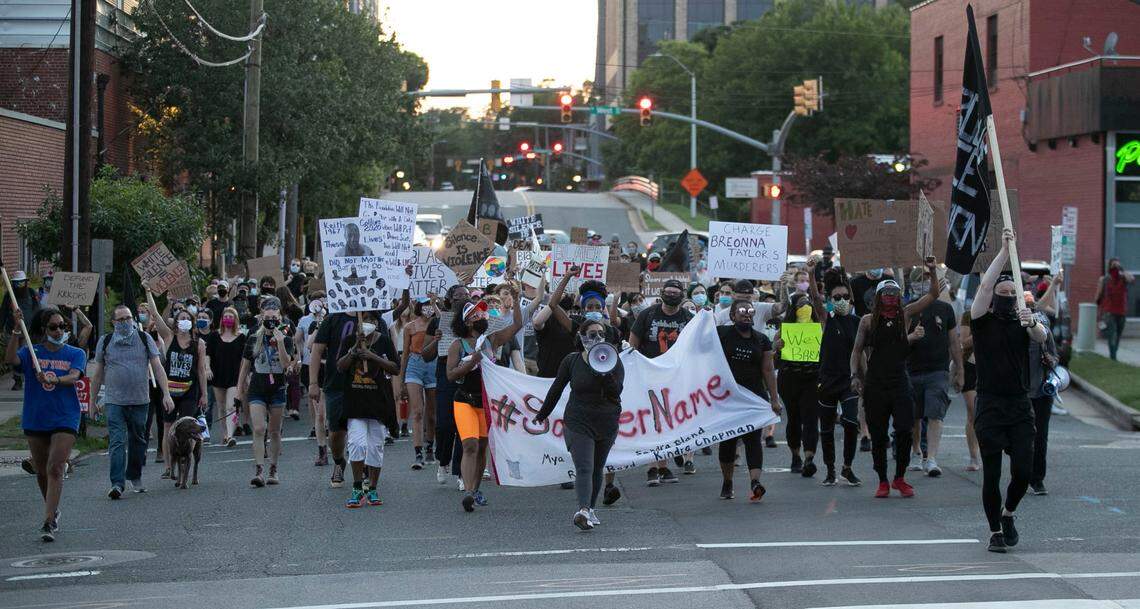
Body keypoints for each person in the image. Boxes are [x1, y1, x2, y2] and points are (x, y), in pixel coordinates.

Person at [970, 229, 1048, 553]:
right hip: (990, 404)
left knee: (1023, 470)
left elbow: (1042, 337)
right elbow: (986, 285)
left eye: (1011, 293)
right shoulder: (981, 321)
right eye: (1002, 293)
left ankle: (1009, 513)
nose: (1005, 296)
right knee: (992, 474)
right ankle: (994, 532)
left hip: (1018, 404)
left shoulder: (1025, 322)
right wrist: (1004, 251)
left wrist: (1031, 322)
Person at [850, 258, 939, 499]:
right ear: (878, 296)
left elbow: (932, 295)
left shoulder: (906, 314)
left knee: (903, 430)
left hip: (900, 381)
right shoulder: (867, 321)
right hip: (875, 383)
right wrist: (855, 376)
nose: (890, 296)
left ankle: (899, 477)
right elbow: (857, 351)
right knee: (878, 435)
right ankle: (882, 480)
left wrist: (931, 271)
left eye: (894, 292)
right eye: (886, 292)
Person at [536, 319, 625, 530]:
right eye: (592, 334)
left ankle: (591, 509)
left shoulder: (613, 361)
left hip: (606, 420)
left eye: (601, 334)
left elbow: (616, 392)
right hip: (578, 420)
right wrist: (543, 413)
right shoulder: (571, 361)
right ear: (582, 336)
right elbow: (556, 388)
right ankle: (583, 510)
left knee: (597, 467)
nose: (597, 338)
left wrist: (604, 373)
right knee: (584, 466)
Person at [6, 308, 86, 541]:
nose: (59, 330)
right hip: (36, 416)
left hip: (65, 416)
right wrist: (15, 330)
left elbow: (75, 376)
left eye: (62, 326)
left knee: (55, 467)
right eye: (53, 327)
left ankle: (48, 521)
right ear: (44, 330)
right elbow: (10, 360)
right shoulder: (32, 352)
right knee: (41, 471)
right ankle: (53, 509)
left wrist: (56, 379)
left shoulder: (75, 353)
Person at [90, 303, 174, 498]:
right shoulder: (106, 341)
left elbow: (158, 367)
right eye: (121, 320)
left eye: (128, 318)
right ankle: (117, 484)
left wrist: (166, 393)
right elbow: (97, 373)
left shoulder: (144, 339)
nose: (126, 322)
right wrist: (93, 401)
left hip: (140, 400)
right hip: (114, 401)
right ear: (113, 323)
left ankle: (135, 475)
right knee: (117, 441)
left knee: (138, 440)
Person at [446, 299, 522, 512]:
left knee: (481, 448)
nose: (481, 316)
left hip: (485, 402)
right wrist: (471, 362)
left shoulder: (491, 340)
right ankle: (468, 492)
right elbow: (450, 375)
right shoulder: (457, 345)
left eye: (482, 313)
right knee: (469, 445)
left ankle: (475, 489)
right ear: (467, 322)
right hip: (464, 401)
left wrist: (515, 300)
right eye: (476, 314)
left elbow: (517, 324)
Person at [717, 299, 782, 501]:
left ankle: (755, 482)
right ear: (732, 316)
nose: (747, 314)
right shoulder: (721, 334)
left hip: (754, 397)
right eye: (742, 311)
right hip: (728, 398)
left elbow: (768, 370)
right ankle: (727, 481)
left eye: (750, 311)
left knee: (753, 440)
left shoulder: (761, 339)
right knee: (728, 442)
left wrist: (774, 399)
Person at [629, 278, 692, 485]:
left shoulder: (689, 318)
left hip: (676, 379)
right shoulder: (648, 315)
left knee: (668, 423)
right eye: (668, 291)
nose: (671, 295)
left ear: (682, 296)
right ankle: (652, 468)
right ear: (662, 293)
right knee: (653, 421)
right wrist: (634, 372)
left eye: (676, 292)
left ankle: (663, 467)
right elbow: (633, 346)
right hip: (650, 377)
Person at [339, 310, 401, 508]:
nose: (368, 323)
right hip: (356, 402)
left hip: (379, 403)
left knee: (375, 447)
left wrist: (373, 357)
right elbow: (340, 366)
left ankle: (372, 488)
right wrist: (355, 349)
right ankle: (357, 486)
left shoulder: (383, 341)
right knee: (357, 445)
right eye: (365, 319)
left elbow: (395, 367)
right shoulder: (350, 339)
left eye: (372, 320)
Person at [905, 268, 963, 478]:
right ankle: (916, 452)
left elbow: (954, 342)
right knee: (915, 416)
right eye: (919, 281)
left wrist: (959, 370)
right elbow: (897, 342)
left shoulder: (945, 309)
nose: (923, 284)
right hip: (911, 370)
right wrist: (912, 336)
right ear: (912, 285)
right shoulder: (908, 310)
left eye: (927, 280)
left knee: (935, 413)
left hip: (938, 371)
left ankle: (932, 458)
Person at [146, 297, 208, 478]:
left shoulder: (199, 344)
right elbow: (156, 315)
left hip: (190, 390)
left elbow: (201, 371)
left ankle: (187, 458)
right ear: (175, 322)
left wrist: (204, 394)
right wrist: (148, 291)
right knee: (168, 427)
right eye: (181, 318)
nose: (184, 321)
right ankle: (168, 466)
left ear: (192, 322)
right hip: (169, 391)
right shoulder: (169, 337)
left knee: (189, 426)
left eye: (187, 318)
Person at [237, 297, 295, 487]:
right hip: (257, 389)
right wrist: (239, 391)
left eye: (274, 317)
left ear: (280, 318)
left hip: (277, 388)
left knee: (274, 431)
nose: (271, 320)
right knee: (259, 428)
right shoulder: (254, 337)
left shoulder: (285, 339)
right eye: (267, 317)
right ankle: (259, 469)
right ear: (262, 318)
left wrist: (279, 342)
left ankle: (273, 468)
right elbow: (245, 366)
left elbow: (287, 365)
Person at [814, 267, 863, 487]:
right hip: (827, 381)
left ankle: (847, 467)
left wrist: (864, 378)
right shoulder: (827, 319)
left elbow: (863, 351)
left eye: (845, 297)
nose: (842, 300)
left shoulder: (858, 322)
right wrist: (811, 271)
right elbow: (815, 298)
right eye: (837, 297)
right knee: (826, 427)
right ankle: (830, 469)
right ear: (830, 300)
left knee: (852, 422)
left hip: (849, 380)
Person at [775, 268, 826, 477]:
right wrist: (777, 346)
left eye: (807, 305)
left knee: (811, 418)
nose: (804, 308)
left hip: (812, 378)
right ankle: (795, 455)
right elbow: (773, 356)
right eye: (800, 305)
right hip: (789, 378)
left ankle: (809, 457)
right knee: (794, 418)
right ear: (794, 309)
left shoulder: (819, 327)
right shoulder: (784, 329)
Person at [1024, 292, 1059, 496]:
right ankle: (1022, 471)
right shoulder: (1016, 328)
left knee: (1040, 436)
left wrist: (1050, 360)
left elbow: (1055, 355)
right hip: (1020, 391)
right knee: (1020, 436)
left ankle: (1037, 479)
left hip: (1043, 390)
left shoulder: (1043, 327)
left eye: (1031, 305)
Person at [401, 298, 439, 470]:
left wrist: (436, 303)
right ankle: (418, 453)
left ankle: (429, 446)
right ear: (419, 307)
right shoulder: (410, 326)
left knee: (431, 414)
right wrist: (402, 379)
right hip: (415, 364)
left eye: (430, 305)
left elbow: (444, 318)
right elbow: (404, 354)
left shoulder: (437, 322)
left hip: (433, 364)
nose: (428, 308)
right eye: (425, 305)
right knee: (417, 411)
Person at [207, 306, 246, 448]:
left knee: (231, 406)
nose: (228, 319)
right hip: (218, 374)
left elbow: (244, 359)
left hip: (234, 376)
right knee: (222, 407)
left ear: (235, 319)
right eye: (226, 316)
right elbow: (208, 354)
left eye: (231, 317)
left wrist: (244, 375)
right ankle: (224, 433)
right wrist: (207, 368)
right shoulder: (214, 336)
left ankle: (230, 435)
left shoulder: (241, 337)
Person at [296, 296, 328, 463]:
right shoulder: (315, 325)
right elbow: (309, 346)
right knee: (320, 414)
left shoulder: (334, 322)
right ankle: (322, 450)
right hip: (319, 369)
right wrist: (318, 328)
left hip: (334, 369)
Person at [1, 270, 42, 390]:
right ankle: (17, 378)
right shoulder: (9, 295)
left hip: (27, 331)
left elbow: (37, 310)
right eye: (16, 283)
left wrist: (38, 327)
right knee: (14, 356)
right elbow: (3, 312)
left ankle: (24, 376)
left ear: (26, 282)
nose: (19, 286)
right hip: (12, 331)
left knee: (26, 356)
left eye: (21, 283)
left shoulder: (31, 293)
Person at [1096, 257, 1134, 361]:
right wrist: (1099, 311)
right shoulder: (1105, 279)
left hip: (1121, 311)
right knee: (1112, 334)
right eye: (1114, 265)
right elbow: (1098, 296)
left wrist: (1121, 268)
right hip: (1109, 311)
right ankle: (1113, 357)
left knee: (1118, 335)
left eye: (1117, 265)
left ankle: (1114, 353)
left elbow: (1131, 279)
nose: (1115, 268)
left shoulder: (1123, 278)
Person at [958, 310, 982, 471]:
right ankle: (974, 457)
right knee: (973, 412)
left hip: (992, 368)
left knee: (988, 413)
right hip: (971, 366)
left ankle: (987, 452)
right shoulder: (970, 314)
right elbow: (964, 342)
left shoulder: (1003, 313)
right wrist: (984, 330)